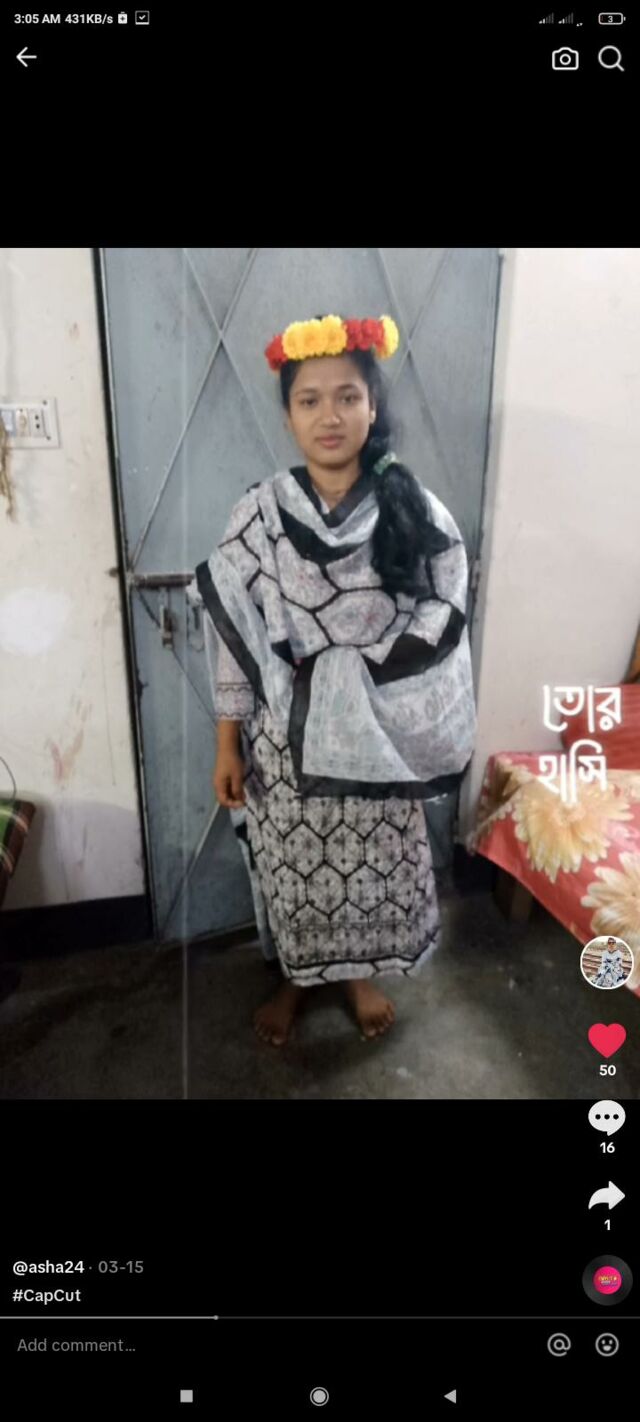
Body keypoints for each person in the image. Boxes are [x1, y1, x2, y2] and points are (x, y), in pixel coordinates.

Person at [190, 313, 476, 1046]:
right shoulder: (258, 515)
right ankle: (296, 976)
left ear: (373, 407)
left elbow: (443, 614)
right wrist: (227, 744)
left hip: (378, 744)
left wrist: (371, 679)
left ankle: (358, 977)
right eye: (309, 400)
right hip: (285, 752)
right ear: (288, 416)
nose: (330, 415)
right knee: (295, 874)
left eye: (348, 396)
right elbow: (233, 637)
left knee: (374, 872)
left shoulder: (411, 508)